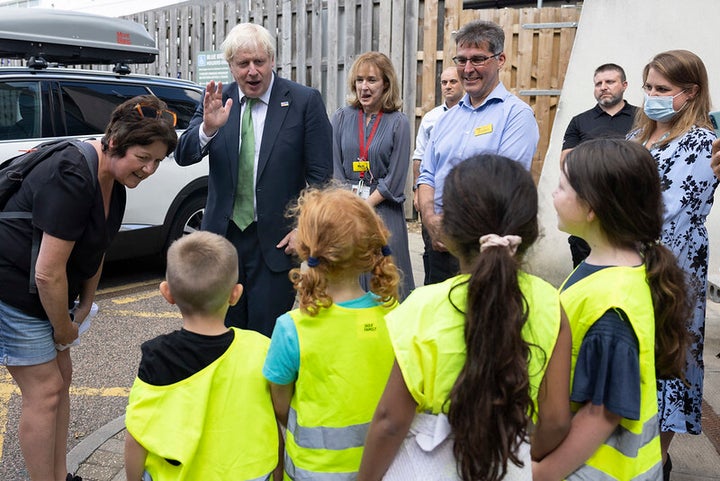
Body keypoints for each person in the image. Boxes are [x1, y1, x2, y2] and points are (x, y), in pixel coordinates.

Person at [358, 155, 571, 481]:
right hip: (509, 458)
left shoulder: (422, 305)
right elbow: (556, 420)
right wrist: (519, 458)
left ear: (450, 233)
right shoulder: (551, 303)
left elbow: (390, 421)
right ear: (529, 231)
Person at [0, 95, 177, 481]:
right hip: (11, 288)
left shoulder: (115, 183)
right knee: (45, 390)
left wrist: (85, 305)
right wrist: (64, 329)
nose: (149, 169)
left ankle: (61, 475)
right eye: (143, 156)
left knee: (62, 377)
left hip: (44, 292)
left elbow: (95, 249)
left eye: (157, 161)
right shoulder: (72, 175)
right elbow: (48, 273)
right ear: (115, 141)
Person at [533, 139, 691, 481]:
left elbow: (603, 413)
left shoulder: (612, 303)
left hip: (598, 471)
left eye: (561, 187)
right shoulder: (604, 266)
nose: (553, 195)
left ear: (592, 208)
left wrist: (540, 473)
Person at [175, 22, 333, 338]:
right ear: (230, 65)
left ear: (272, 60)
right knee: (221, 335)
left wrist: (304, 227)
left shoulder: (303, 102)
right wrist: (208, 128)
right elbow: (183, 154)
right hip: (223, 242)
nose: (252, 71)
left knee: (265, 339)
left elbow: (321, 177)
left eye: (258, 62)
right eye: (242, 63)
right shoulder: (217, 100)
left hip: (276, 244)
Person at [263, 187, 401, 480]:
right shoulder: (395, 315)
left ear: (307, 248)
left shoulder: (292, 328)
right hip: (384, 467)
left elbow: (280, 406)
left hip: (312, 471)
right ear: (371, 248)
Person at [627, 49, 717, 479]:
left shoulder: (701, 141)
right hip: (625, 260)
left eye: (662, 90)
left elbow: (671, 209)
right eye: (648, 87)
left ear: (690, 92)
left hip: (670, 268)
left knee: (667, 360)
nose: (652, 96)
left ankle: (656, 463)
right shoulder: (638, 136)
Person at [124, 231, 280, 481]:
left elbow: (137, 433)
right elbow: (274, 419)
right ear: (235, 294)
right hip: (248, 473)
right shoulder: (261, 348)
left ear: (167, 293)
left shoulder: (157, 357)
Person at [417, 19, 540, 285]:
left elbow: (503, 186)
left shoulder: (516, 116)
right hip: (438, 242)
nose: (468, 69)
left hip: (483, 249)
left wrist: (456, 230)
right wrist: (430, 219)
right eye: (461, 60)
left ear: (501, 59)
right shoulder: (446, 119)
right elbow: (426, 175)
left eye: (478, 59)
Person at [331, 51, 414, 299]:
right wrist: (352, 204)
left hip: (384, 214)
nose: (364, 87)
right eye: (359, 80)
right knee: (349, 285)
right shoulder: (341, 117)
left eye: (371, 80)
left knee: (387, 285)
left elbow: (396, 178)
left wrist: (366, 204)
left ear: (386, 84)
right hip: (347, 213)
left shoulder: (399, 122)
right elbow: (336, 168)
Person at [561, 63, 638, 267]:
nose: (603, 87)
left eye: (610, 82)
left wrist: (592, 155)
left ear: (624, 85)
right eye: (598, 83)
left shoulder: (643, 118)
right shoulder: (579, 121)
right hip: (588, 204)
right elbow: (566, 162)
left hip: (629, 206)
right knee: (585, 265)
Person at [412, 66, 463, 284]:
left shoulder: (468, 117)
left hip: (460, 200)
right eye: (444, 82)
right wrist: (417, 190)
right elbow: (420, 156)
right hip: (432, 196)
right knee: (432, 249)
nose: (448, 86)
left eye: (453, 82)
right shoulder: (432, 118)